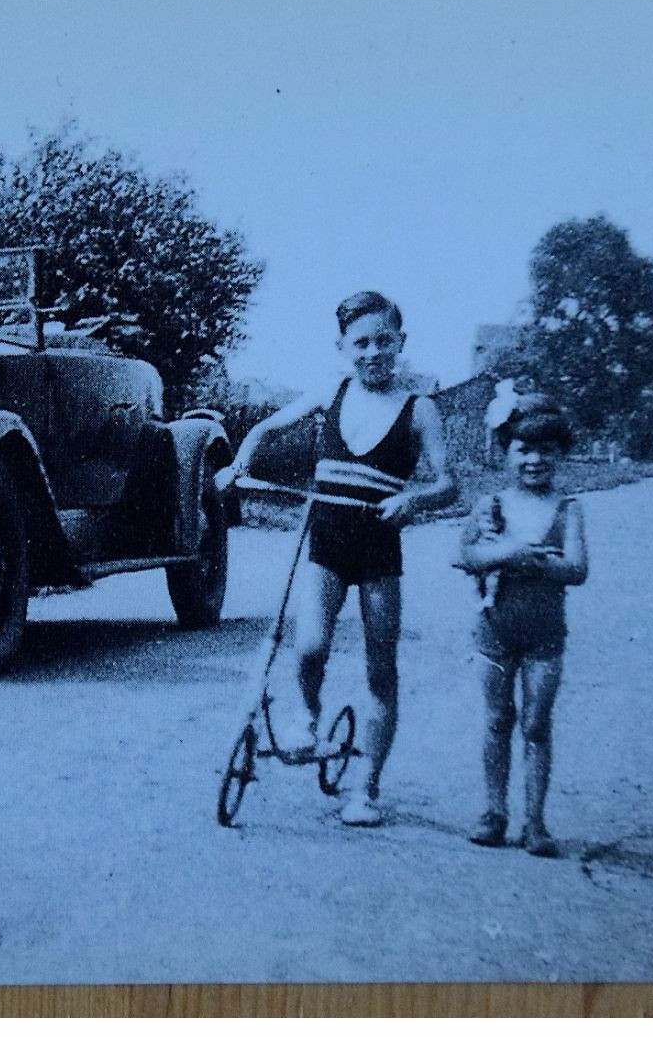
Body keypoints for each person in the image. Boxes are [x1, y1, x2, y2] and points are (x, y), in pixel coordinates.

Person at [217, 290, 456, 826]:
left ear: (402, 343)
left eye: (384, 342)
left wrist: (413, 500)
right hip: (325, 538)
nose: (374, 353)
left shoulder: (421, 410)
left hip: (378, 544)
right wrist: (238, 465)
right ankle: (307, 714)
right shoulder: (335, 390)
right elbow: (265, 428)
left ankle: (365, 790)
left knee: (380, 668)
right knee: (308, 645)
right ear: (343, 347)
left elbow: (449, 484)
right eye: (362, 343)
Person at [457, 398, 588, 857]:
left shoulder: (567, 509)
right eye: (523, 450)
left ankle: (535, 821)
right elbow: (465, 555)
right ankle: (494, 812)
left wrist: (533, 562)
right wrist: (504, 554)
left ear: (560, 454)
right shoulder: (491, 505)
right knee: (497, 720)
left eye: (546, 450)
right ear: (505, 452)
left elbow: (577, 568)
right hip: (495, 630)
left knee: (535, 723)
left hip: (545, 635)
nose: (535, 460)